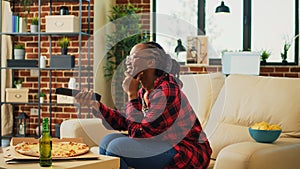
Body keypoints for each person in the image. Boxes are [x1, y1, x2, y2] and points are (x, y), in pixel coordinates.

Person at [75, 41, 212, 169]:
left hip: (186, 151)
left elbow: (140, 133)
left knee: (115, 147)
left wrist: (131, 95)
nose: (127, 62)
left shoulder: (166, 91)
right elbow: (125, 121)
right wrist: (96, 106)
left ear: (151, 62)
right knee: (107, 141)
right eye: (128, 58)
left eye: (133, 57)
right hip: (163, 144)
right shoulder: (144, 92)